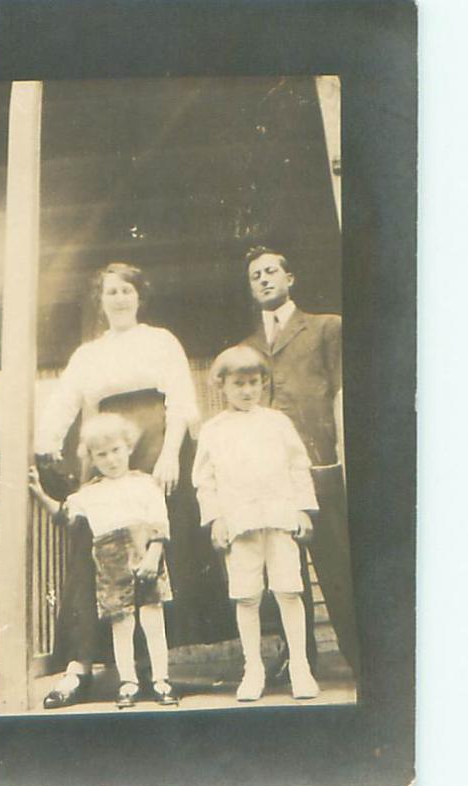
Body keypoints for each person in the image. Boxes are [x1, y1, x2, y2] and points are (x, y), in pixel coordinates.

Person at [34, 262, 233, 709]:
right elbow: (65, 401)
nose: (120, 298)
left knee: (153, 556)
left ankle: (155, 669)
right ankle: (80, 666)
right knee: (94, 549)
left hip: (156, 450)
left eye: (127, 291)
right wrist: (44, 443)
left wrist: (169, 454)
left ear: (140, 297)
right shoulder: (88, 353)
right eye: (111, 292)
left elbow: (181, 399)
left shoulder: (161, 340)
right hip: (108, 451)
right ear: (100, 302)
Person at [241, 245, 359, 681]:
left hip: (320, 467)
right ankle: (299, 660)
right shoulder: (248, 349)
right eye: (255, 276)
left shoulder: (327, 328)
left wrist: (345, 458)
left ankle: (362, 659)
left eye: (271, 271)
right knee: (284, 574)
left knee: (338, 566)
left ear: (290, 278)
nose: (264, 279)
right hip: (271, 482)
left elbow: (343, 394)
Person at [192, 345, 320, 701]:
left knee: (288, 590)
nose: (247, 390)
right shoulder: (214, 430)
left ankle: (300, 666)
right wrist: (216, 519)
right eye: (238, 384)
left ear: (264, 383)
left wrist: (302, 509)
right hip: (240, 522)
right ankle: (253, 668)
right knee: (247, 596)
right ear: (222, 386)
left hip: (280, 519)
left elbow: (298, 466)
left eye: (253, 382)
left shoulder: (277, 422)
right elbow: (205, 480)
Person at [30, 413, 179, 708]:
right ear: (93, 459)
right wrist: (38, 491)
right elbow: (65, 516)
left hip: (146, 557)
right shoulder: (89, 493)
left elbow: (160, 525)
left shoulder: (146, 484)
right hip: (110, 568)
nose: (111, 460)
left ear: (128, 448)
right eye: (102, 455)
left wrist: (153, 556)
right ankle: (128, 683)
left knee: (152, 620)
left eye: (116, 451)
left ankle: (162, 680)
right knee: (120, 624)